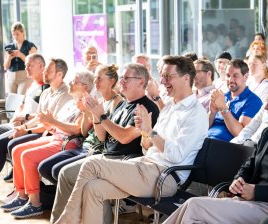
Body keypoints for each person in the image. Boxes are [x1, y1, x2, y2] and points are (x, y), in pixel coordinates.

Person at [54, 55, 209, 224]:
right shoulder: (170, 107)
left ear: (186, 78)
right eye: (162, 76)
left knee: (91, 165)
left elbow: (177, 156)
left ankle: (67, 219)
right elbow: (146, 147)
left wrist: (150, 132)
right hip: (146, 165)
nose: (162, 81)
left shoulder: (196, 113)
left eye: (168, 76)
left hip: (166, 177)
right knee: (93, 188)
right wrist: (145, 133)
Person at [163, 81, 268, 224]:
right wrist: (239, 179)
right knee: (195, 215)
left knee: (195, 206)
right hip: (249, 201)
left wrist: (258, 192)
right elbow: (249, 165)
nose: (265, 107)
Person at [50, 63, 160, 223]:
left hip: (124, 161)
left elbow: (124, 137)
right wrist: (95, 114)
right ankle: (60, 220)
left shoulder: (147, 108)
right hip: (107, 156)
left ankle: (68, 219)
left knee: (92, 185)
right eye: (121, 78)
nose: (121, 81)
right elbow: (102, 137)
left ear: (141, 82)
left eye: (126, 78)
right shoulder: (123, 104)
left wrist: (102, 117)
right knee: (65, 174)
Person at [0, 58, 72, 202]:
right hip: (38, 129)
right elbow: (39, 117)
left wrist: (26, 130)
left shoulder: (65, 94)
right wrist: (23, 127)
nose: (45, 72)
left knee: (10, 144)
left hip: (48, 135)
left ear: (59, 74)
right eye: (45, 69)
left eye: (48, 70)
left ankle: (17, 190)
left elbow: (51, 125)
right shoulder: (47, 92)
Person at [0, 70, 94, 218]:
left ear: (85, 87)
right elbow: (55, 124)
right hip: (56, 137)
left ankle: (35, 203)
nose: (69, 82)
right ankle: (21, 196)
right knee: (17, 150)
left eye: (74, 81)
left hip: (67, 143)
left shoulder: (88, 104)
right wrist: (48, 124)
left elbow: (78, 130)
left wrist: (52, 122)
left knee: (27, 156)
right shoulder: (70, 102)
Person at [38, 64, 123, 184]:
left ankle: (70, 198)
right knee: (44, 167)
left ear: (111, 81)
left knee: (58, 170)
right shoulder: (99, 101)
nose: (95, 81)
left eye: (99, 78)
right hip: (84, 147)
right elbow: (84, 132)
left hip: (97, 150)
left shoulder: (117, 101)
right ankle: (57, 198)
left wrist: (95, 114)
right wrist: (85, 112)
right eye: (95, 78)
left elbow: (102, 137)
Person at [0, 53, 49, 150]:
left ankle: (8, 152)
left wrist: (24, 120)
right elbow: (21, 105)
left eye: (29, 65)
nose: (26, 68)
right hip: (16, 124)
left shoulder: (47, 88)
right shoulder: (31, 85)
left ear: (41, 66)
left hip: (29, 127)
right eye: (25, 65)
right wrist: (16, 117)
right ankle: (6, 153)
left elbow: (44, 116)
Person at [207, 59, 262, 142]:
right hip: (205, 139)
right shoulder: (223, 96)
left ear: (246, 77)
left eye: (235, 76)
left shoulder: (253, 101)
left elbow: (241, 134)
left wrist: (223, 109)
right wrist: (212, 113)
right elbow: (205, 128)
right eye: (228, 75)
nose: (231, 80)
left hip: (225, 146)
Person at [4, 22, 37, 95]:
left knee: (21, 99)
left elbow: (33, 63)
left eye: (17, 34)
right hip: (11, 77)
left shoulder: (30, 46)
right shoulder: (9, 47)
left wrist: (20, 55)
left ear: (23, 33)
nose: (15, 36)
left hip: (25, 77)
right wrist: (9, 58)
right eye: (13, 34)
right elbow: (6, 67)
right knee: (11, 101)